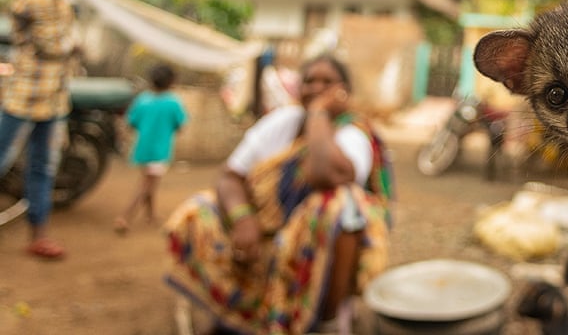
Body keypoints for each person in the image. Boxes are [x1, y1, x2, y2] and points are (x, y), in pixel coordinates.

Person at [164, 55, 393, 335]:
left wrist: (319, 113)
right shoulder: (283, 121)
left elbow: (325, 175)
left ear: (344, 91)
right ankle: (233, 311)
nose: (316, 88)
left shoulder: (353, 133)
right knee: (198, 210)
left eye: (327, 82)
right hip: (265, 229)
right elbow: (231, 176)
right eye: (309, 81)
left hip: (315, 241)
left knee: (339, 206)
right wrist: (242, 218)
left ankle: (328, 320)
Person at [0, 0, 81, 260]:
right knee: (3, 157)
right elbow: (51, 45)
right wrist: (74, 45)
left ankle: (39, 234)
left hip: (52, 95)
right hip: (28, 92)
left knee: (43, 166)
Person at [114, 63, 188, 234]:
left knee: (149, 182)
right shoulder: (172, 103)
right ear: (171, 82)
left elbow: (131, 122)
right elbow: (181, 126)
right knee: (147, 185)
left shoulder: (143, 99)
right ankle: (124, 217)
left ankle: (151, 215)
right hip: (159, 151)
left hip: (142, 149)